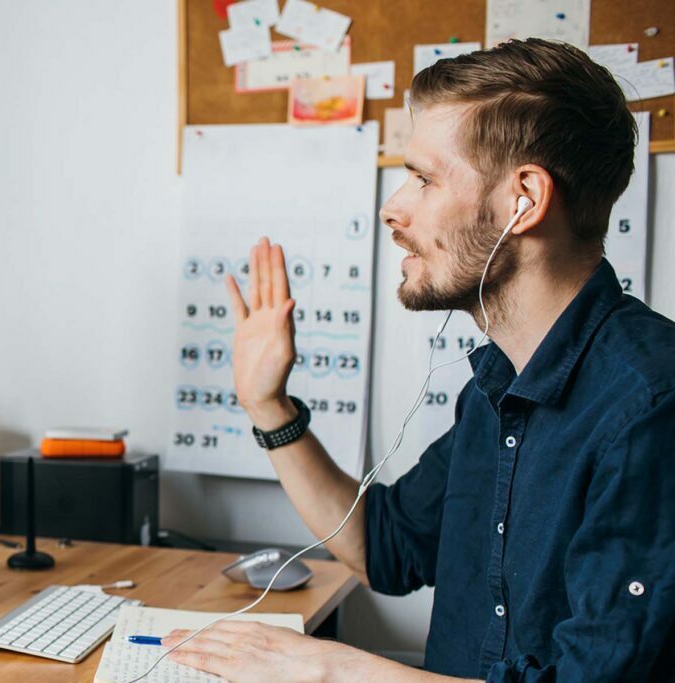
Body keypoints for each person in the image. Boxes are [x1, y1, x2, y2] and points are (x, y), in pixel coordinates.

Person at [163, 39, 675, 682]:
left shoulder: (651, 404)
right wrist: (269, 406)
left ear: (525, 199)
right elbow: (384, 548)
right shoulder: (495, 388)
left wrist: (329, 671)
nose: (393, 208)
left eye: (424, 179)